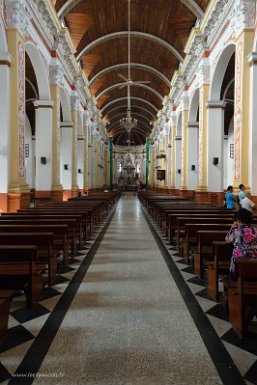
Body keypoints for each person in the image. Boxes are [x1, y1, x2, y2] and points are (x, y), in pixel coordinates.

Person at [225, 209, 257, 278]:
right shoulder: (255, 230)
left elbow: (228, 240)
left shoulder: (236, 229)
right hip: (254, 264)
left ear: (238, 220)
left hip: (238, 264)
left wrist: (232, 227)